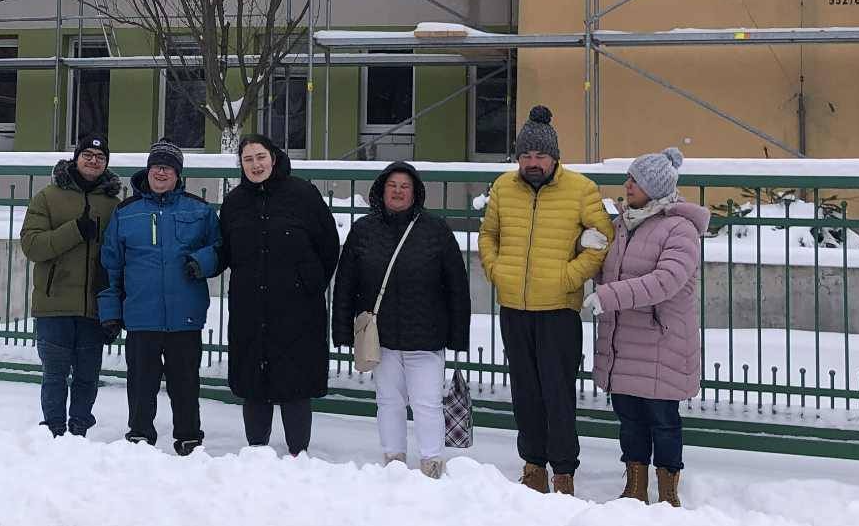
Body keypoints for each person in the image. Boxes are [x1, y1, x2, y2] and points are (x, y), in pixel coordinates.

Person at [478, 105, 612, 495]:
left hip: (558, 311)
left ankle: (564, 470)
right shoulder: (504, 187)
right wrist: (496, 270)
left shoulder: (581, 189)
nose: (532, 163)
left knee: (558, 393)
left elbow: (601, 241)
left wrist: (567, 277)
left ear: (554, 158)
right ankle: (533, 465)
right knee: (524, 392)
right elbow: (488, 235)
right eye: (525, 155)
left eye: (540, 155)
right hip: (514, 307)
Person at [582, 146, 708, 508]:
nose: (627, 185)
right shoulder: (622, 225)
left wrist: (610, 296)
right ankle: (635, 486)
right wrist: (588, 248)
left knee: (663, 421)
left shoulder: (680, 230)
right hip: (624, 342)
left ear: (654, 187)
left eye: (635, 180)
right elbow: (610, 271)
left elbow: (665, 282)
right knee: (630, 419)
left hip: (661, 341)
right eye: (628, 178)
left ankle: (667, 491)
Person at [331, 160, 471, 477]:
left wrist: (458, 334)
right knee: (388, 402)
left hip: (426, 336)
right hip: (382, 339)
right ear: (381, 191)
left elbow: (457, 285)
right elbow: (346, 283)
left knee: (427, 403)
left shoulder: (435, 230)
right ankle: (393, 464)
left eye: (404, 186)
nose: (398, 192)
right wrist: (342, 330)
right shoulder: (363, 231)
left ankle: (431, 464)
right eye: (392, 186)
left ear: (415, 192)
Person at [218, 133, 341, 457]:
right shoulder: (234, 202)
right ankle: (256, 451)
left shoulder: (303, 195)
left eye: (260, 157)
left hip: (298, 308)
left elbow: (328, 246)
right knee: (254, 380)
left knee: (295, 381)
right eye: (248, 159)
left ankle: (298, 452)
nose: (255, 165)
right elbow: (225, 250)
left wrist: (309, 282)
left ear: (273, 158)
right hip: (250, 307)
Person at [98, 140, 222, 453]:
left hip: (185, 315)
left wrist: (202, 262)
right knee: (141, 383)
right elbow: (110, 265)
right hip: (141, 315)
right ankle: (140, 434)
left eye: (167, 167)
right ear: (148, 170)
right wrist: (110, 312)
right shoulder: (126, 212)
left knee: (185, 383)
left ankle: (189, 436)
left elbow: (221, 249)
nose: (161, 172)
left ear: (178, 174)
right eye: (156, 166)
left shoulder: (199, 210)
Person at [18, 133, 121, 436]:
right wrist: (74, 230)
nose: (93, 161)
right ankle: (54, 427)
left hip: (94, 306)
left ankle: (79, 427)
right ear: (76, 158)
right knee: (55, 374)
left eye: (100, 157)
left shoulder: (114, 205)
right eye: (87, 154)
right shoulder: (48, 197)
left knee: (88, 376)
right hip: (55, 304)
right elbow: (32, 245)